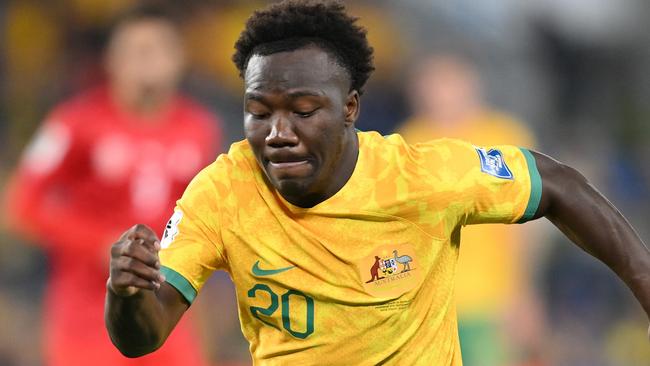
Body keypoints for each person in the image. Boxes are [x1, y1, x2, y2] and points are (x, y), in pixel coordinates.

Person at [104, 1, 649, 365]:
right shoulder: (221, 192)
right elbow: (142, 337)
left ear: (350, 108)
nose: (278, 133)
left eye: (303, 110)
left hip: (488, 313)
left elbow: (554, 182)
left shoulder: (419, 175)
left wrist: (643, 279)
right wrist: (126, 294)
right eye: (259, 111)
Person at [4, 4, 220, 366]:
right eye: (136, 51)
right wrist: (98, 243)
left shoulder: (200, 129)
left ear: (179, 58)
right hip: (89, 318)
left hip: (166, 315)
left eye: (157, 50)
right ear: (111, 60)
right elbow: (22, 205)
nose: (147, 62)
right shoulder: (74, 123)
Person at [397, 54, 544, 365]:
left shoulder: (503, 138)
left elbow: (523, 228)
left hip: (489, 301)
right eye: (432, 85)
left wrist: (522, 293)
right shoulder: (409, 142)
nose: (440, 93)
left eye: (449, 83)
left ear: (471, 85)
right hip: (427, 304)